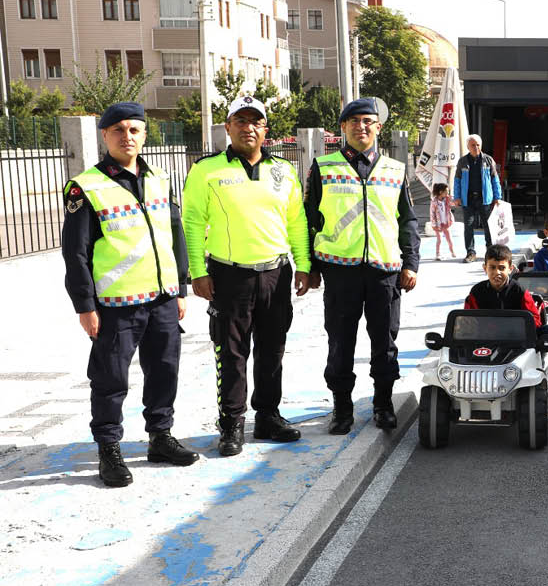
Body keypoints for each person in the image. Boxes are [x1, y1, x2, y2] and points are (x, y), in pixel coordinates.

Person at [61, 102, 198, 486]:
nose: (127, 137)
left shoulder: (159, 178)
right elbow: (76, 252)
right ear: (105, 136)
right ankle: (109, 449)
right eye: (118, 130)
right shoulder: (86, 186)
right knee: (110, 380)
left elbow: (176, 235)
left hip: (162, 299)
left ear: (144, 134)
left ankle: (160, 437)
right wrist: (84, 305)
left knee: (164, 371)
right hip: (116, 305)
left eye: (135, 130)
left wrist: (181, 286)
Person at [183, 96, 311, 457]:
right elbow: (192, 222)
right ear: (228, 127)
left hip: (275, 273)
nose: (248, 127)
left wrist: (303, 264)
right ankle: (232, 425)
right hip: (228, 276)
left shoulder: (283, 171)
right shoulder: (206, 170)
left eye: (256, 121)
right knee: (232, 352)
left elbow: (296, 221)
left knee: (273, 350)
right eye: (240, 120)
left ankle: (268, 416)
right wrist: (197, 271)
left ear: (265, 129)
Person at [306, 97, 420, 435]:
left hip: (385, 271)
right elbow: (309, 220)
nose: (361, 126)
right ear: (342, 128)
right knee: (341, 343)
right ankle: (342, 410)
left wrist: (411, 262)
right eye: (354, 121)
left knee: (384, 343)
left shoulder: (395, 170)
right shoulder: (323, 167)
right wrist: (309, 266)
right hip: (340, 272)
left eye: (368, 121)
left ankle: (383, 405)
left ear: (378, 127)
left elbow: (408, 221)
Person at [463, 244, 543, 327]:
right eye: (492, 267)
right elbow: (467, 323)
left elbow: (535, 321)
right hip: (484, 338)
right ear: (485, 268)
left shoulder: (519, 291)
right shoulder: (477, 292)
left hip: (515, 337)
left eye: (502, 268)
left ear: (510, 269)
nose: (497, 272)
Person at [452, 134, 502, 264]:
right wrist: (456, 197)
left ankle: (490, 252)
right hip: (468, 199)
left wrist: (497, 197)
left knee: (488, 226)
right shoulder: (462, 161)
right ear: (468, 147)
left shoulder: (488, 160)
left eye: (478, 145)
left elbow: (495, 180)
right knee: (468, 227)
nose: (476, 147)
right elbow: (457, 180)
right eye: (473, 145)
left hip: (485, 199)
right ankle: (470, 252)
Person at [429, 182, 456, 260]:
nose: (447, 193)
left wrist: (451, 198)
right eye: (446, 191)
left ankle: (452, 251)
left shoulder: (447, 200)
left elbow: (453, 204)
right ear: (441, 192)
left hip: (446, 222)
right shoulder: (434, 202)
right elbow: (432, 213)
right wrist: (434, 225)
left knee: (449, 239)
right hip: (438, 224)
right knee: (439, 239)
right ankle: (438, 254)